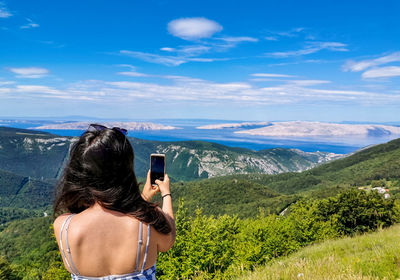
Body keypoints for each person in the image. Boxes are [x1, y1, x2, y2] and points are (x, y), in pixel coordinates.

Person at [53, 124, 175, 280]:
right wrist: (166, 193)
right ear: (126, 171)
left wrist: (144, 197)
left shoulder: (63, 227)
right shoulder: (150, 223)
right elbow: (168, 240)